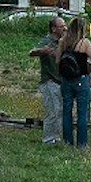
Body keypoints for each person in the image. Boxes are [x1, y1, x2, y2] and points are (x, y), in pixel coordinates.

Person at [30, 17, 68, 146]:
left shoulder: (63, 41)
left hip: (61, 80)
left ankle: (56, 137)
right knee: (52, 110)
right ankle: (48, 139)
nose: (65, 28)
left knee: (59, 110)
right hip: (49, 80)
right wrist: (42, 51)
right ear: (53, 28)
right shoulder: (47, 41)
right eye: (62, 26)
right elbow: (32, 52)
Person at [55, 22, 91, 148]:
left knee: (67, 110)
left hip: (66, 80)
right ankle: (81, 143)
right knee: (82, 113)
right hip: (81, 78)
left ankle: (68, 141)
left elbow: (57, 61)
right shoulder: (85, 42)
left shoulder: (63, 42)